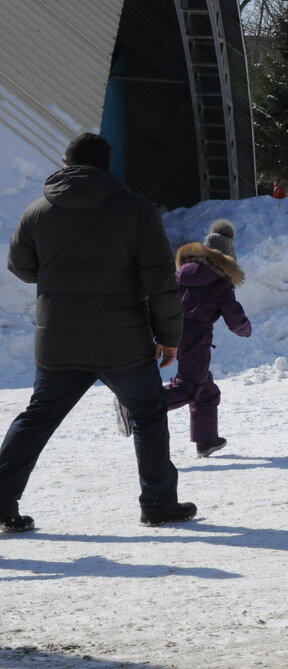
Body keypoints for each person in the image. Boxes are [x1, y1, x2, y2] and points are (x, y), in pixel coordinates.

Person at [0, 132, 196, 532]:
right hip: (122, 340)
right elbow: (159, 280)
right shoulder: (137, 210)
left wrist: (59, 277)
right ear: (108, 165)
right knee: (147, 413)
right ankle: (158, 503)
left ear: (66, 163)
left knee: (38, 419)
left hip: (58, 338)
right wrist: (170, 335)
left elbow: (20, 267)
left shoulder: (37, 211)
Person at [163, 219, 252, 458]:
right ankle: (136, 405)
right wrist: (245, 329)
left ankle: (206, 440)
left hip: (173, 331)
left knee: (206, 390)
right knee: (190, 386)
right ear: (226, 257)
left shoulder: (183, 272)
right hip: (195, 335)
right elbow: (233, 316)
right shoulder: (220, 281)